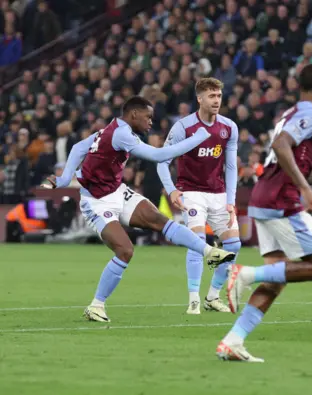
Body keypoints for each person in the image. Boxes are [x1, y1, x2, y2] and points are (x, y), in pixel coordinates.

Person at [215, 64, 312, 362]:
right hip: (280, 202)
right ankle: (244, 274)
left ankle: (233, 341)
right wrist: (306, 191)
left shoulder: (292, 113)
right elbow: (281, 146)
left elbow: (289, 162)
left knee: (276, 279)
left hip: (264, 198)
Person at [42, 96, 235, 323]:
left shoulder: (112, 129)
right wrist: (199, 137)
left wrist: (65, 178)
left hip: (117, 191)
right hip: (96, 201)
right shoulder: (121, 133)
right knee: (125, 251)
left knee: (158, 219)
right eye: (148, 117)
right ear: (134, 115)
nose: (151, 122)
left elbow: (78, 147)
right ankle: (96, 306)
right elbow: (158, 155)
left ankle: (209, 253)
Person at [157, 78, 240, 315]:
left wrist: (231, 201)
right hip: (191, 192)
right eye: (211, 96)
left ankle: (212, 296)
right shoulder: (184, 127)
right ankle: (193, 299)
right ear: (200, 99)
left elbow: (231, 167)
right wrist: (172, 189)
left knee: (234, 245)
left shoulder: (229, 127)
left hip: (218, 194)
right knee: (197, 244)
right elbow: (163, 161)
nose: (216, 100)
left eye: (219, 96)